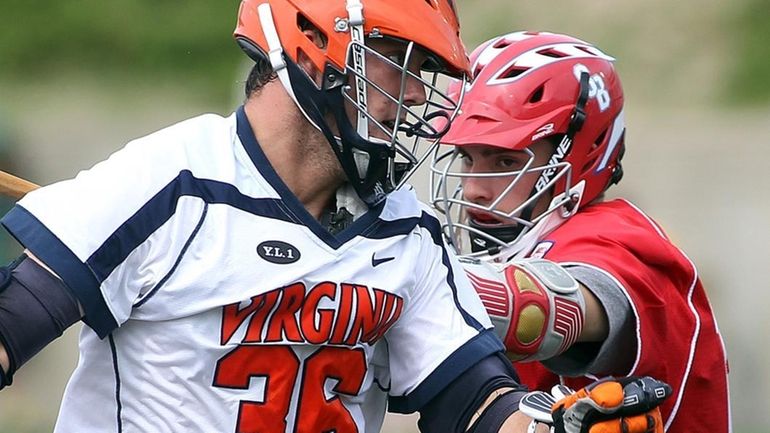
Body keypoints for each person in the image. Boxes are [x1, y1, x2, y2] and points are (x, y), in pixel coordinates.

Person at [0, 2, 605, 433]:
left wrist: (561, 426)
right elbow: (14, 320)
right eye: (399, 59)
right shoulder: (175, 180)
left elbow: (473, 401)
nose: (420, 95)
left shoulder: (405, 229)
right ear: (314, 52)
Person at [430, 30, 731, 432]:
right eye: (467, 158)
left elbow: (544, 308)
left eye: (503, 162)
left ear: (575, 157)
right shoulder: (521, 244)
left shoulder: (618, 238)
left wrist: (409, 279)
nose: (473, 189)